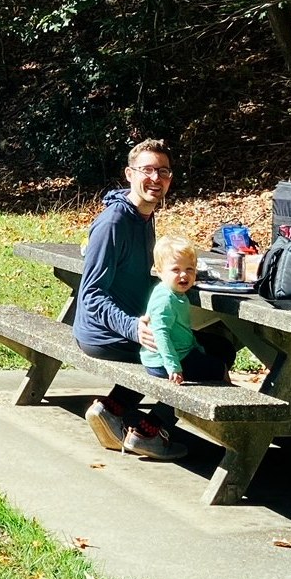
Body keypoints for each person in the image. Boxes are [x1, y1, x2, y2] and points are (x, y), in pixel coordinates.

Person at [72, 139, 188, 461]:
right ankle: (150, 432)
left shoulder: (144, 215)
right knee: (206, 355)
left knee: (193, 340)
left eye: (162, 171)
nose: (155, 178)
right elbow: (91, 294)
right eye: (147, 170)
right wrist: (134, 329)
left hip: (124, 325)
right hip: (102, 333)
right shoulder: (113, 223)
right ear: (129, 174)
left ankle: (112, 408)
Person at [142, 235, 233, 387]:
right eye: (175, 270)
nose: (184, 275)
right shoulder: (165, 299)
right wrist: (173, 366)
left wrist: (196, 347)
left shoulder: (172, 292)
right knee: (219, 368)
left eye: (189, 269)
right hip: (164, 361)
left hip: (178, 352)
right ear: (159, 271)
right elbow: (161, 335)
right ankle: (227, 399)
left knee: (224, 349)